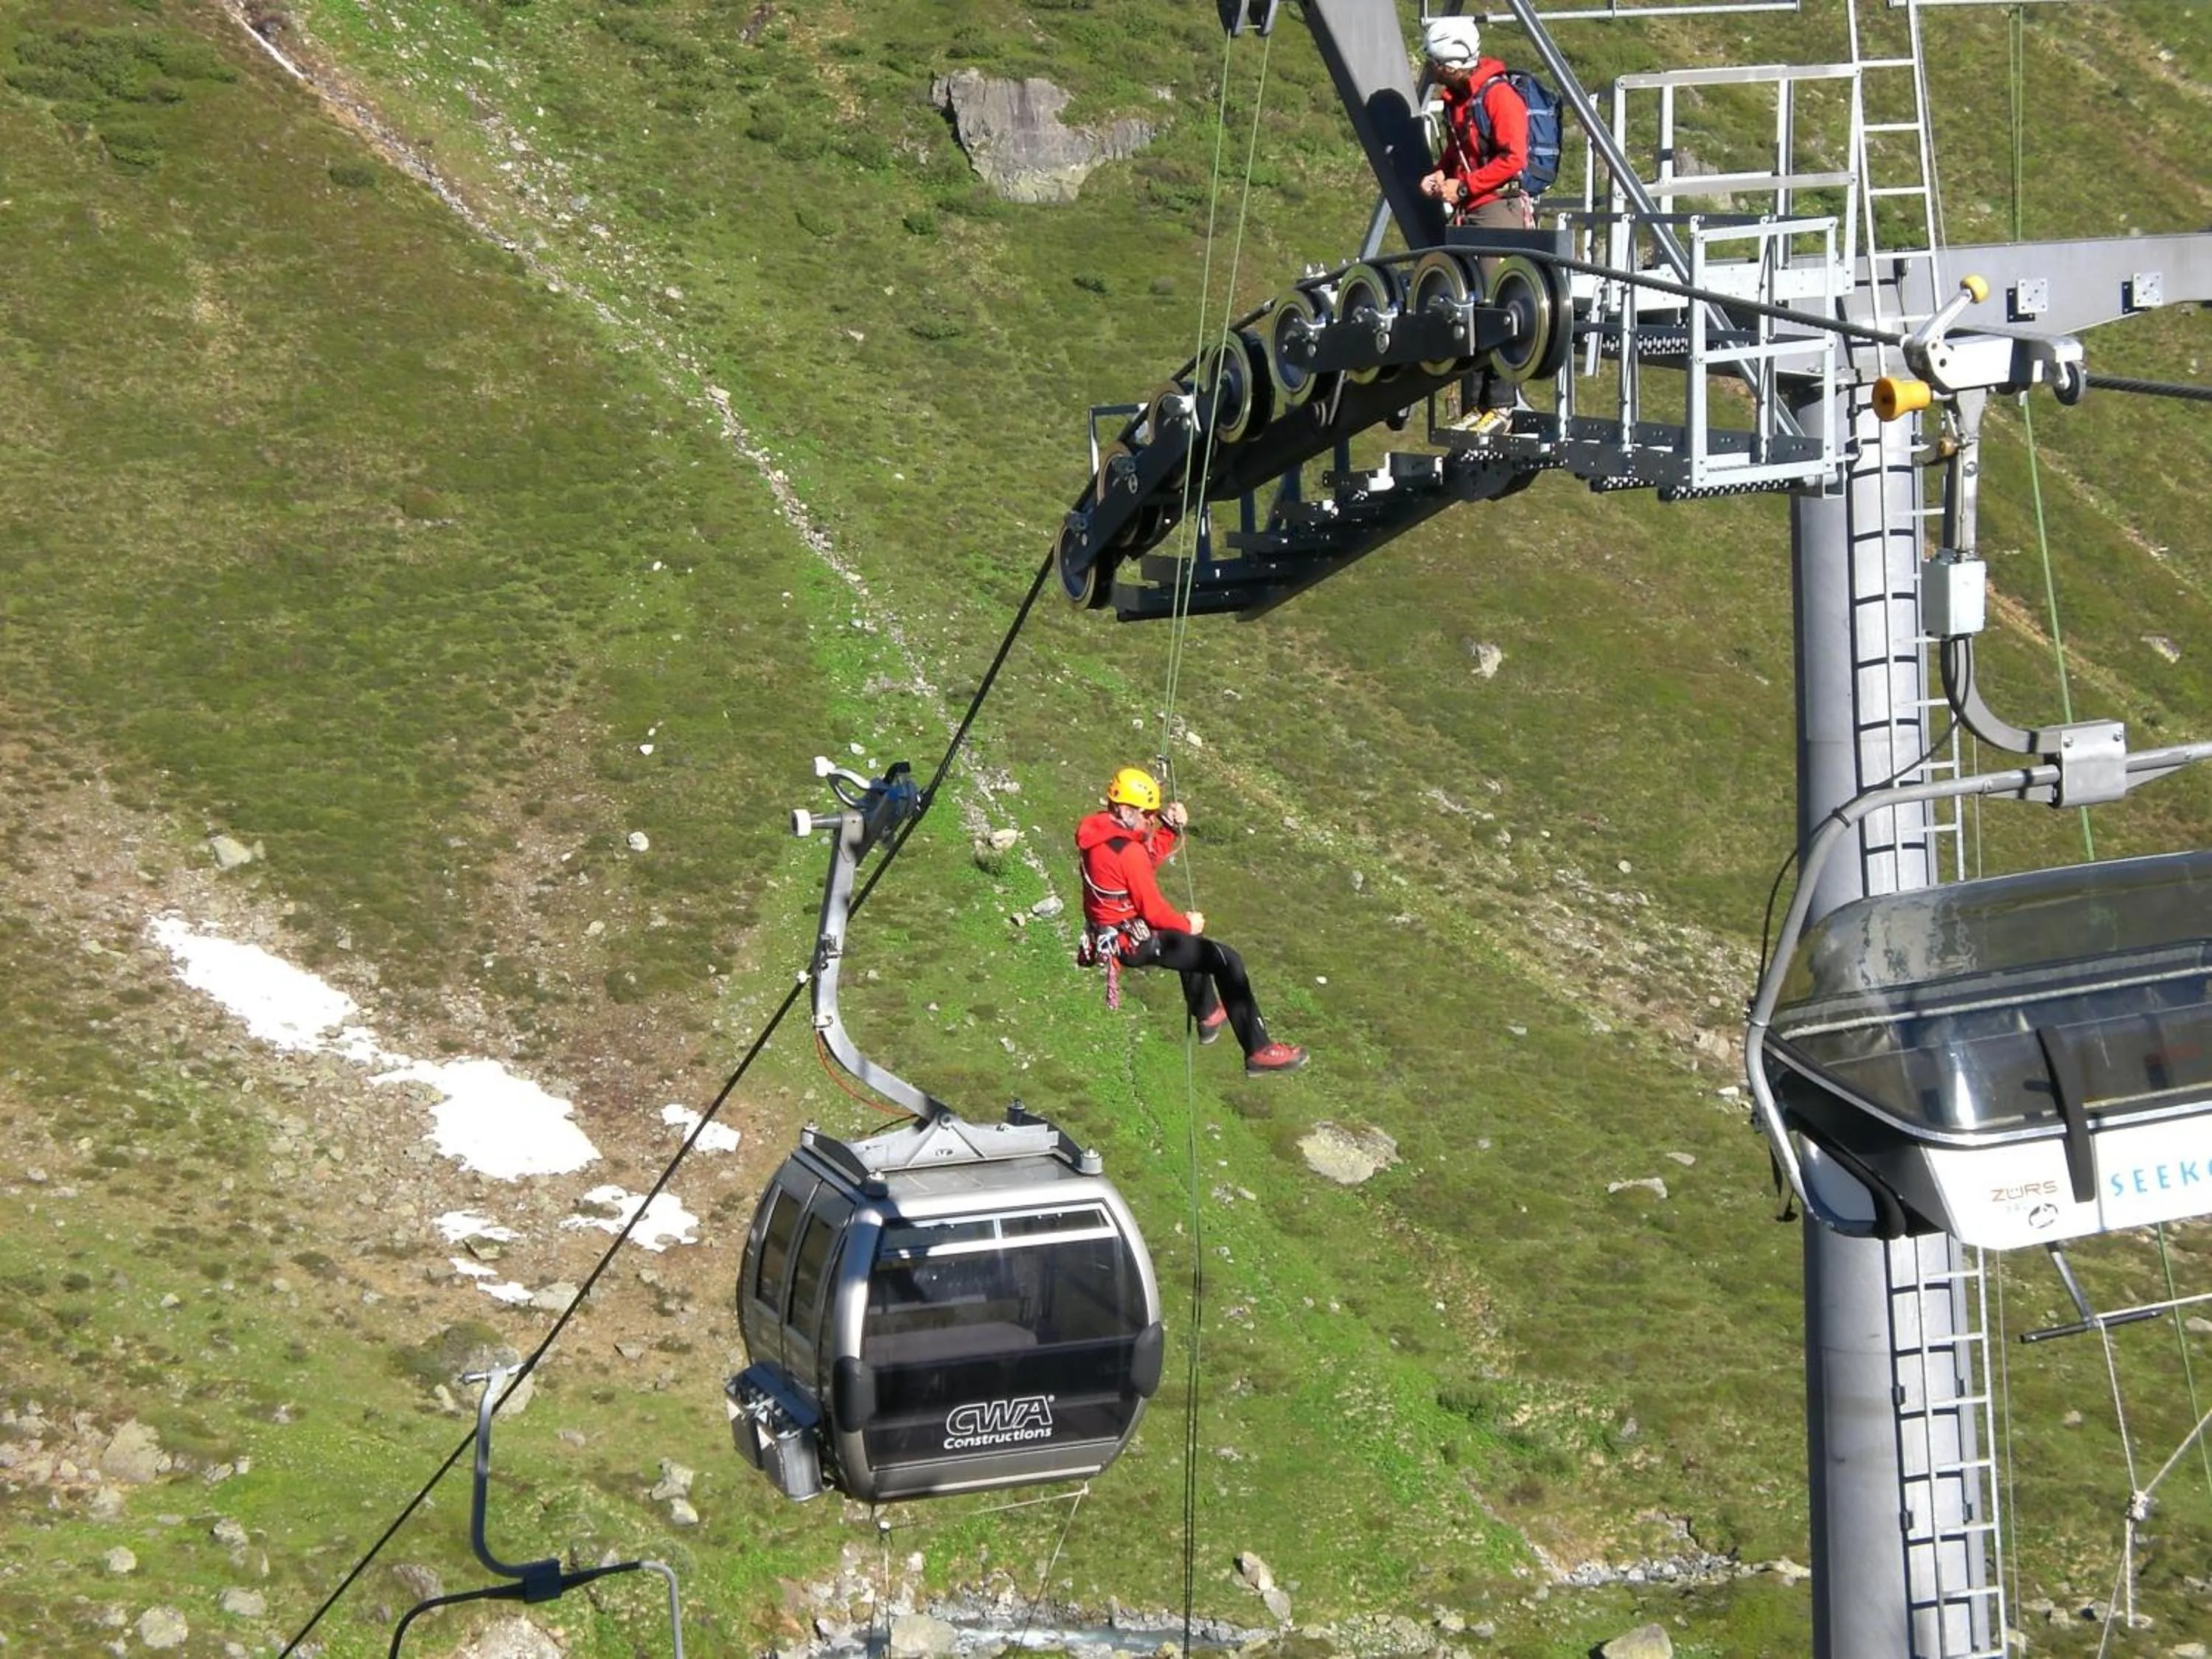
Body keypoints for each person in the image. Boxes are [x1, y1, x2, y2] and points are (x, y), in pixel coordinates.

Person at [1074, 766, 1308, 1076]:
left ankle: (1208, 1012)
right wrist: (1188, 925)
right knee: (1226, 959)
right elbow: (1154, 910)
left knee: (1190, 950)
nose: (1150, 820)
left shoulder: (1100, 834)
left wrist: (1168, 829)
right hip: (1134, 941)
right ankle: (1259, 1050)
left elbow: (1142, 864)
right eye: (1148, 814)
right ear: (1125, 809)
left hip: (1116, 936)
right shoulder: (1126, 851)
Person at [1418, 14, 1534, 437]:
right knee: (1469, 304)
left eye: (1434, 63)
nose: (1430, 70)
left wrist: (1462, 187)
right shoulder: (1460, 99)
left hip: (1496, 210)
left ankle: (1501, 404)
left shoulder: (1499, 98)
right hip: (1473, 209)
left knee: (1498, 306)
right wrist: (1439, 174)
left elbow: (1513, 159)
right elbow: (1458, 150)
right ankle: (1476, 403)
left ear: (1451, 63)